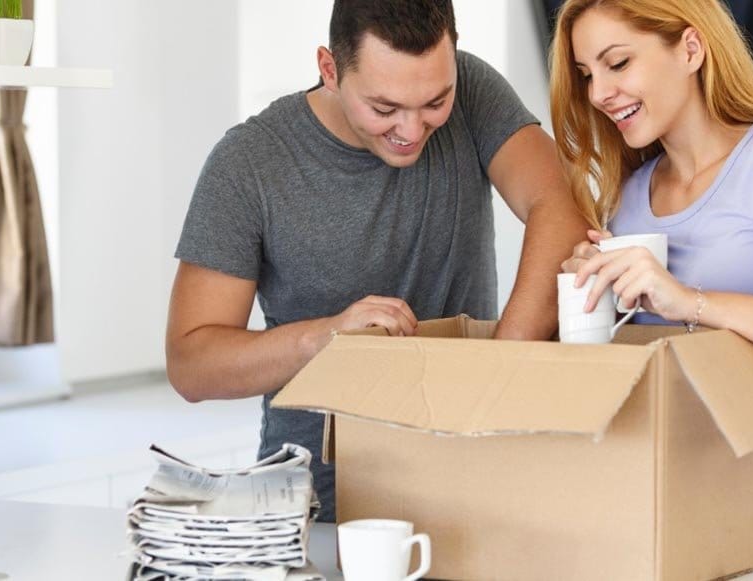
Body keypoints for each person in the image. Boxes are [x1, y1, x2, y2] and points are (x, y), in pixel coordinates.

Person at [166, 0, 587, 522]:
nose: (411, 130)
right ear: (329, 69)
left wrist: (497, 371)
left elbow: (560, 206)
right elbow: (192, 365)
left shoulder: (474, 91)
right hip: (316, 503)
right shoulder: (249, 162)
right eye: (384, 109)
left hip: (470, 482)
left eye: (435, 101)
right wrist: (327, 337)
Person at [550, 0, 753, 561]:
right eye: (587, 75)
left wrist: (688, 300)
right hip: (687, 521)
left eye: (618, 63)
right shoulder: (629, 202)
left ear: (689, 48)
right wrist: (591, 300)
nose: (599, 93)